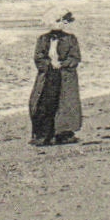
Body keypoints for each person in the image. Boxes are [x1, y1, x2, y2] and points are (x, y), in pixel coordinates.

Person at [30, 9, 82, 146]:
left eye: (63, 21)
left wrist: (62, 64)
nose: (61, 23)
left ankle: (64, 134)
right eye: (57, 20)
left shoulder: (71, 39)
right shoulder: (43, 39)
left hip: (65, 76)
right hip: (47, 76)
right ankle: (43, 134)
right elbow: (38, 57)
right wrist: (49, 64)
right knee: (44, 104)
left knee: (65, 104)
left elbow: (75, 58)